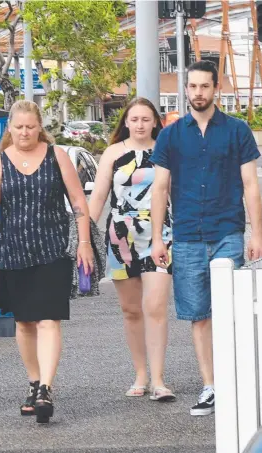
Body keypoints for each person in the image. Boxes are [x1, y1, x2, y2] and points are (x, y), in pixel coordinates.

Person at [150, 60, 262, 416]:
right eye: (193, 86)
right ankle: (210, 386)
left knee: (231, 311)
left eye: (205, 86)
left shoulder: (237, 131)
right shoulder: (171, 135)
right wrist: (157, 238)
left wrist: (256, 231)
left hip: (227, 231)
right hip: (186, 238)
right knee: (198, 315)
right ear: (186, 90)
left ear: (217, 89)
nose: (198, 93)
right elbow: (160, 188)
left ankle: (239, 384)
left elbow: (250, 185)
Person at [0, 100, 93, 424]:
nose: (24, 132)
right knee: (24, 322)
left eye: (30, 126)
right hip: (13, 252)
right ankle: (33, 380)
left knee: (48, 319)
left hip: (52, 250)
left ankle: (46, 388)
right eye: (18, 127)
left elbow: (79, 202)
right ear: (9, 129)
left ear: (39, 127)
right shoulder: (0, 163)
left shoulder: (57, 157)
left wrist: (84, 243)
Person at [89, 98, 175, 402]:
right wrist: (85, 236)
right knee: (131, 310)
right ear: (126, 121)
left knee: (156, 307)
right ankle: (141, 373)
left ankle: (160, 379)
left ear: (155, 122)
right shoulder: (113, 153)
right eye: (134, 119)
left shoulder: (166, 150)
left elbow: (175, 192)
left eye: (145, 119)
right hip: (121, 235)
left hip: (160, 234)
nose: (140, 124)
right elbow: (99, 196)